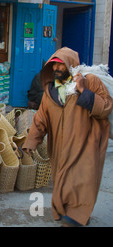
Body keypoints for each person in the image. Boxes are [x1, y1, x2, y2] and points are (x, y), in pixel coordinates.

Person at [23, 47, 113, 227]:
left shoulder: (90, 82)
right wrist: (31, 142)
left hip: (86, 143)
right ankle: (72, 214)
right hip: (61, 147)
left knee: (82, 181)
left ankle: (76, 217)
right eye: (53, 66)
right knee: (63, 184)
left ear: (71, 65)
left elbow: (106, 107)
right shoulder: (50, 91)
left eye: (61, 66)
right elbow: (41, 118)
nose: (56, 69)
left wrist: (83, 91)